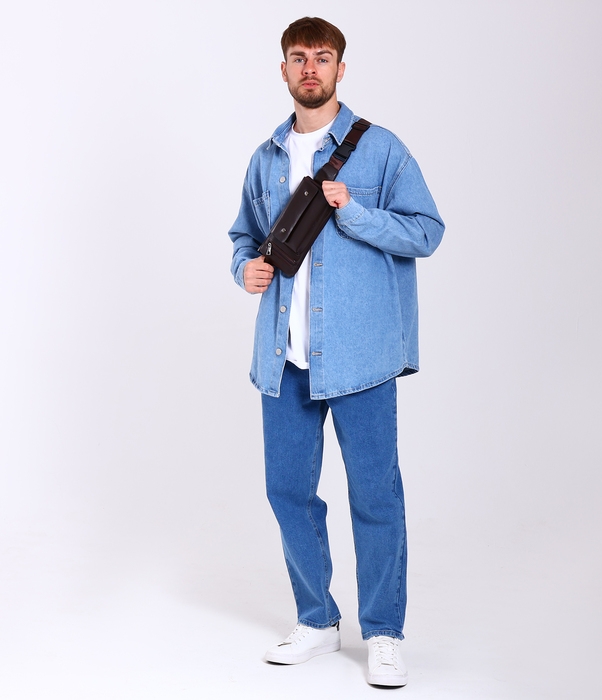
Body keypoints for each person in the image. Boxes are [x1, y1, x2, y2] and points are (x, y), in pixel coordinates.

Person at [227, 16, 444, 688]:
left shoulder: (381, 150)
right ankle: (317, 620)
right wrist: (243, 270)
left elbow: (427, 232)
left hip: (361, 358)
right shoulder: (265, 157)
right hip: (284, 359)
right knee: (288, 491)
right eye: (299, 58)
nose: (310, 68)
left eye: (323, 57)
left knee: (375, 495)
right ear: (284, 70)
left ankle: (383, 633)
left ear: (341, 69)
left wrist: (356, 213)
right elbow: (242, 237)